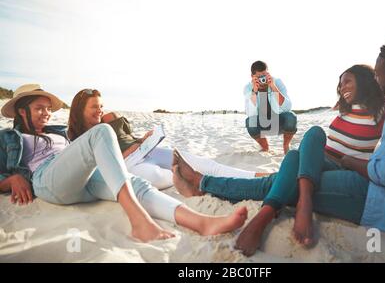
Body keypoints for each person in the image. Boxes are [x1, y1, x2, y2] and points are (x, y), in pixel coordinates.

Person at [173, 64, 385, 255]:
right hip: (317, 162)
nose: (342, 87)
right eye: (340, 84)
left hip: (343, 169)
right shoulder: (343, 109)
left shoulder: (384, 111)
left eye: (347, 82)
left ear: (364, 82)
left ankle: (210, 186)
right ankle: (203, 183)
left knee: (276, 179)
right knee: (312, 136)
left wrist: (351, 162)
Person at [0, 84, 248, 242]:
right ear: (22, 111)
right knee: (102, 132)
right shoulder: (11, 138)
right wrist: (12, 178)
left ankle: (201, 222)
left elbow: (84, 151)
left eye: (47, 109)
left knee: (135, 184)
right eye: (39, 108)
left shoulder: (58, 132)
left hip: (82, 179)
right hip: (48, 181)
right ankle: (139, 220)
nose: (46, 113)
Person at [67, 89, 268, 190]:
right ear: (80, 110)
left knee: (200, 164)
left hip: (146, 151)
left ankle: (261, 177)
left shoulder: (108, 121)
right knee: (175, 177)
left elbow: (126, 139)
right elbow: (97, 168)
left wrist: (142, 139)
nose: (100, 110)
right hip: (129, 165)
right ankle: (243, 186)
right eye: (95, 107)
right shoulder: (77, 138)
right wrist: (132, 149)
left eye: (101, 105)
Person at [244, 61, 297, 154]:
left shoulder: (277, 82)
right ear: (252, 76)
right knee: (250, 122)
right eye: (259, 77)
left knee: (291, 117)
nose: (262, 79)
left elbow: (287, 107)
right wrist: (254, 91)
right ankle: (265, 147)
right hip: (262, 124)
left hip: (279, 122)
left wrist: (274, 87)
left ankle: (286, 145)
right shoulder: (248, 88)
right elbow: (250, 114)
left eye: (264, 75)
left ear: (268, 73)